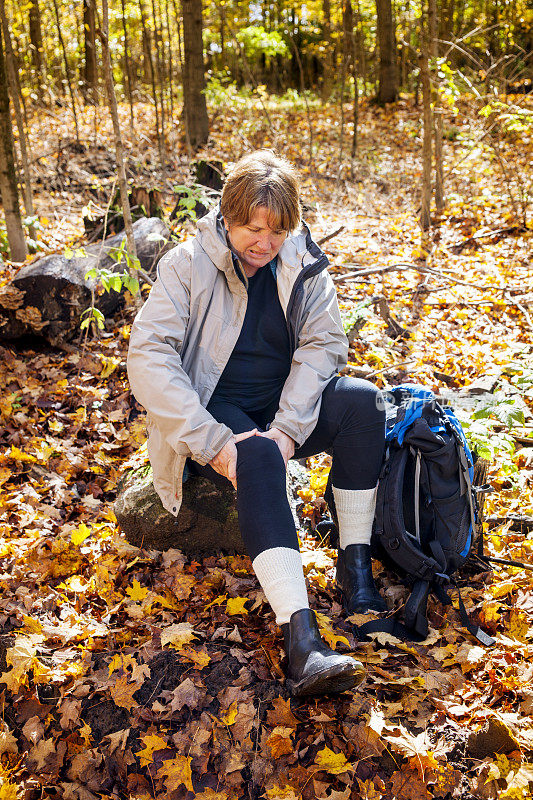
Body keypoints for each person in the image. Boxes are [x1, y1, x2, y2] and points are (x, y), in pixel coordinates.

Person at [127, 150, 386, 698]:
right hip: (212, 407)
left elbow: (324, 345)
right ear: (227, 217)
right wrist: (213, 442)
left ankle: (355, 567)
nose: (264, 242)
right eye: (252, 227)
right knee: (258, 455)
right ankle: (302, 638)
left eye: (276, 229)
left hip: (280, 404)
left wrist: (290, 427)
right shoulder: (186, 265)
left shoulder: (302, 264)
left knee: (363, 403)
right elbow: (149, 358)